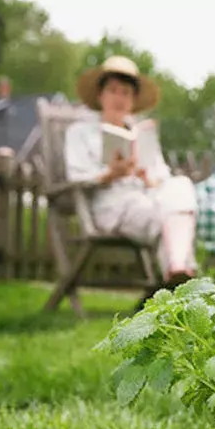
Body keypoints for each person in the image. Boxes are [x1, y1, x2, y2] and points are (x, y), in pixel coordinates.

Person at [65, 56, 198, 284]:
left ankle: (177, 269)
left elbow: (161, 178)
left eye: (125, 93)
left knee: (181, 185)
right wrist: (110, 175)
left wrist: (146, 177)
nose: (119, 98)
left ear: (133, 100)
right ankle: (181, 274)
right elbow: (76, 176)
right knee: (175, 218)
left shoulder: (142, 134)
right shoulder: (80, 133)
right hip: (112, 207)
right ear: (100, 95)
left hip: (148, 198)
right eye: (113, 90)